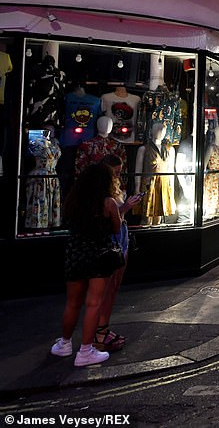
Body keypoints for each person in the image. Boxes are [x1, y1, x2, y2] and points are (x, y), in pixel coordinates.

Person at [50, 163, 123, 367]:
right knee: (93, 303)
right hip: (99, 255)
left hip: (75, 254)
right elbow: (116, 229)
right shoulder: (108, 203)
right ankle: (85, 351)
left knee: (72, 303)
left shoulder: (74, 201)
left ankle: (64, 344)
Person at [94, 155, 143, 352]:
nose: (118, 176)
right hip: (113, 240)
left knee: (112, 289)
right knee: (106, 290)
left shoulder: (110, 190)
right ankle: (100, 332)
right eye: (115, 172)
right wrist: (126, 207)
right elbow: (114, 222)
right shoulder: (103, 195)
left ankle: (102, 329)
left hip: (119, 237)